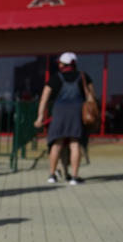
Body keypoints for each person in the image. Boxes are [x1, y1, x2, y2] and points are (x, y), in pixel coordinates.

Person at [34, 51, 95, 185]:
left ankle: (52, 175)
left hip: (59, 113)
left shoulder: (55, 78)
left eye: (60, 63)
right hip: (77, 113)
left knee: (56, 144)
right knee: (75, 144)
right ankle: (74, 177)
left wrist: (39, 117)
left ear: (63, 64)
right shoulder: (84, 77)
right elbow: (92, 97)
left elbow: (44, 98)